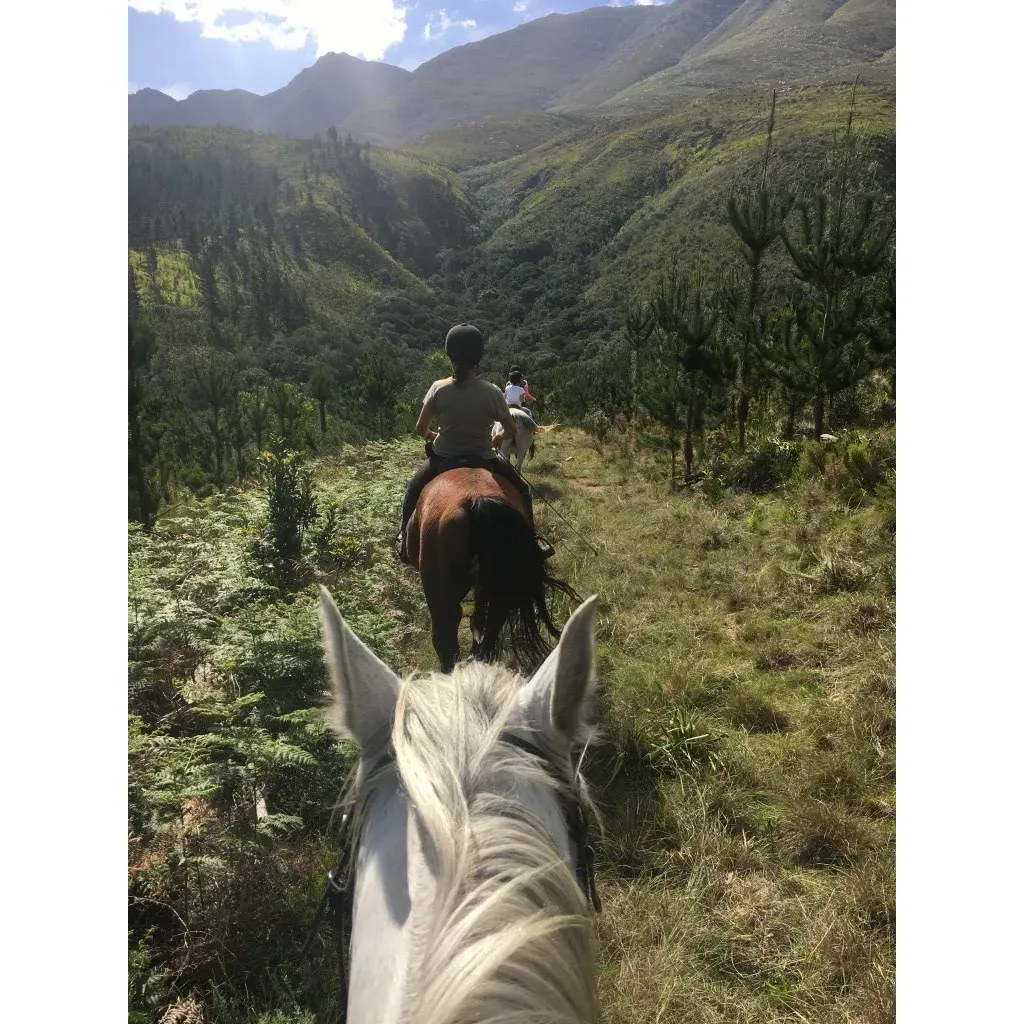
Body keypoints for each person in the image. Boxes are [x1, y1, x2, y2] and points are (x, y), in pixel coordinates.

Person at [396, 325, 553, 564]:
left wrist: (434, 437)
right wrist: (498, 439)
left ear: (450, 355)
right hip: (484, 458)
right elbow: (510, 429)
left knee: (413, 488)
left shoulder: (438, 388)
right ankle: (533, 542)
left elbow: (420, 429)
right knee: (522, 490)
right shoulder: (492, 392)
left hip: (443, 458)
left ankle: (404, 541)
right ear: (479, 356)